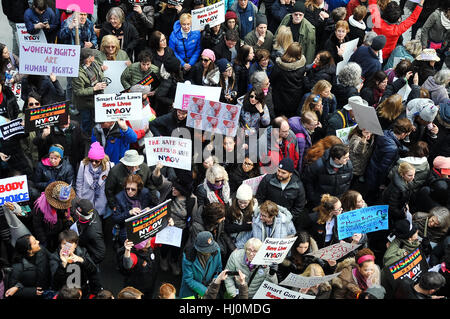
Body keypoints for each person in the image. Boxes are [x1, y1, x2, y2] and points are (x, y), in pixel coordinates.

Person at [364, 118, 414, 202]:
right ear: (402, 134)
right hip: (376, 176)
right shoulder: (392, 149)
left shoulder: (384, 133)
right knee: (370, 197)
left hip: (371, 166)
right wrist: (381, 183)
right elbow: (383, 168)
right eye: (407, 134)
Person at [160, 171, 197, 275]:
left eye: (176, 188)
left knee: (177, 248)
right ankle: (163, 258)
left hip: (181, 230)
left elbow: (193, 217)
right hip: (166, 226)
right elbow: (161, 209)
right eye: (173, 187)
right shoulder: (169, 193)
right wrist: (167, 218)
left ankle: (173, 261)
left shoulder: (192, 200)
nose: (173, 189)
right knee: (165, 246)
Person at [104, 150, 163, 214]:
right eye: (130, 166)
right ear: (125, 164)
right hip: (122, 199)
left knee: (157, 194)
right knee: (111, 214)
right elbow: (109, 190)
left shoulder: (144, 168)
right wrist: (113, 205)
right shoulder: (115, 171)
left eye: (135, 165)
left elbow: (151, 186)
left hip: (140, 197)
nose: (134, 168)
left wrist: (153, 205)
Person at [49, 230, 102, 298]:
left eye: (70, 244)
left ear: (76, 245)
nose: (67, 247)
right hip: (66, 294)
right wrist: (63, 264)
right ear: (60, 245)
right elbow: (55, 283)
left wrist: (82, 260)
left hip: (83, 291)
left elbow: (93, 270)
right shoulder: (55, 257)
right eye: (64, 244)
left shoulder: (82, 252)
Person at [256, 157, 306, 229]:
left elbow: (299, 207)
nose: (279, 174)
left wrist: (287, 218)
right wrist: (264, 215)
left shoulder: (297, 186)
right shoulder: (268, 179)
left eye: (283, 173)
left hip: (285, 221)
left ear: (290, 174)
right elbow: (259, 197)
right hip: (266, 218)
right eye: (278, 171)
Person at [303, 143, 353, 208]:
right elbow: (308, 182)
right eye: (345, 158)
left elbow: (348, 182)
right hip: (321, 201)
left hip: (337, 201)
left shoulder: (348, 165)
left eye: (348, 156)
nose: (348, 159)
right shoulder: (318, 166)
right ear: (336, 159)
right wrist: (314, 198)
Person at [380, 219, 421, 298]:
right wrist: (403, 255)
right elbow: (388, 264)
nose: (418, 234)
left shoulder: (411, 241)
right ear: (409, 238)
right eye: (416, 233)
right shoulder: (394, 253)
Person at [112, 174, 156, 246]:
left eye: (133, 189)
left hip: (144, 222)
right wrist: (129, 212)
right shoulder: (119, 197)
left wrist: (149, 209)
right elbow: (115, 218)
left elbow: (154, 205)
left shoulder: (145, 193)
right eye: (127, 189)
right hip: (127, 227)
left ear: (138, 188)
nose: (129, 191)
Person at [4, 234, 51, 299]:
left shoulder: (41, 249)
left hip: (49, 287)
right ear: (29, 251)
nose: (38, 242)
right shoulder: (17, 267)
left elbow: (52, 259)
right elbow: (10, 291)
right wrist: (32, 291)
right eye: (35, 243)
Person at [179, 231, 222, 298]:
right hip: (190, 292)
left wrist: (214, 281)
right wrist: (205, 291)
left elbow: (218, 268)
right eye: (206, 250)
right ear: (198, 249)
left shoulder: (216, 250)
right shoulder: (188, 256)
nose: (209, 252)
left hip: (209, 287)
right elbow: (188, 279)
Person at [73, 48, 106, 135]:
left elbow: (99, 73)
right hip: (85, 103)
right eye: (92, 56)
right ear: (87, 59)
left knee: (97, 118)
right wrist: (94, 88)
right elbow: (78, 91)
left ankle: (96, 133)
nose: (94, 56)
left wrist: (103, 81)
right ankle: (85, 135)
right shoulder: (78, 74)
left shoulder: (94, 63)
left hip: (97, 99)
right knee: (86, 120)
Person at [270, 42, 306, 118]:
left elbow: (272, 79)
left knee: (278, 120)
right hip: (295, 99)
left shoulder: (279, 65)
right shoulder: (302, 66)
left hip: (279, 98)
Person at [70, 199, 106, 266]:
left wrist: (86, 261)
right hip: (81, 238)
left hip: (87, 251)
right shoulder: (93, 211)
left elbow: (101, 254)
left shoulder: (93, 233)